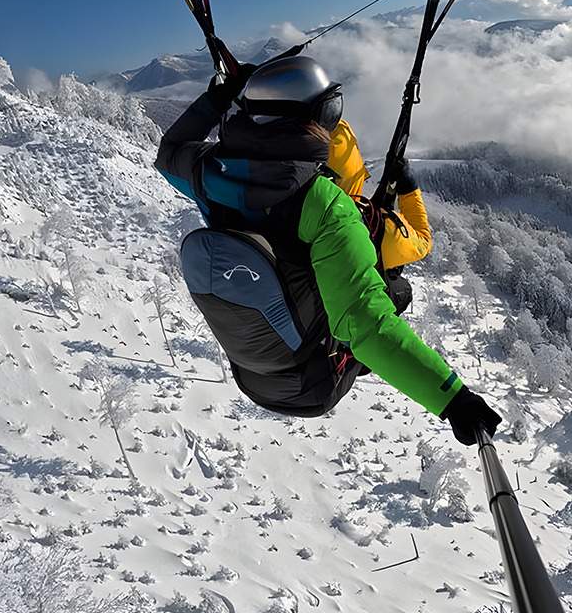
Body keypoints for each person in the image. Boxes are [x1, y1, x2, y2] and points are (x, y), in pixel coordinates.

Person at [155, 55, 501, 445]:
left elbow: (168, 152)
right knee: (396, 292)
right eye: (332, 110)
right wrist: (452, 399)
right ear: (315, 119)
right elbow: (366, 326)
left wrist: (220, 97)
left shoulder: (209, 173)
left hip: (250, 374)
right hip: (316, 383)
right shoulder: (324, 205)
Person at [327, 117, 429, 312]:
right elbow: (423, 241)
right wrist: (408, 189)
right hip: (341, 323)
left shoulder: (267, 207)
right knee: (401, 290)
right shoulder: (375, 229)